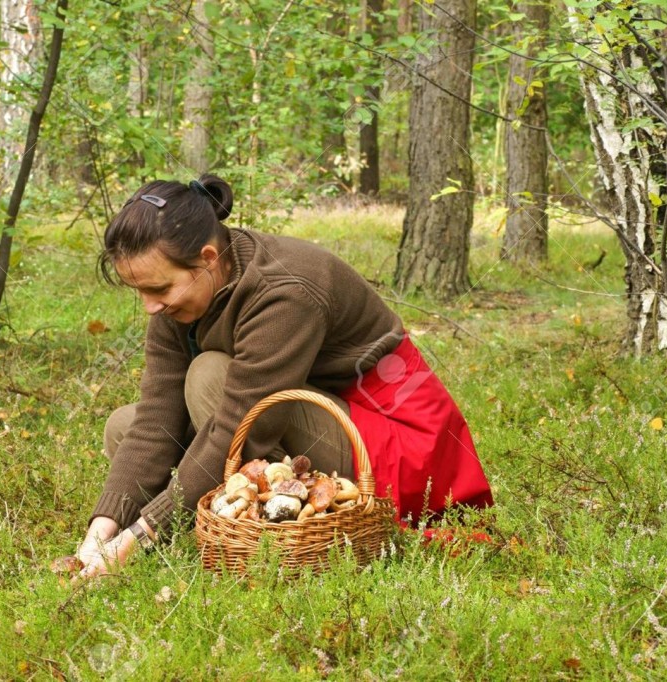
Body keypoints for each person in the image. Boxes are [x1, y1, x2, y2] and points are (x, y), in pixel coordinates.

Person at [68, 175, 493, 579]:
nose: (149, 306)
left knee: (208, 376)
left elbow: (241, 426)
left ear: (208, 259)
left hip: (393, 442)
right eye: (139, 291)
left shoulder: (284, 290)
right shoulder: (180, 293)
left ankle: (273, 528)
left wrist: (140, 535)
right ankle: (226, 518)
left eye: (159, 290)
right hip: (313, 413)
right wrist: (103, 529)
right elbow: (156, 414)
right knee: (123, 427)